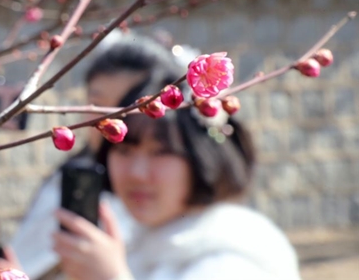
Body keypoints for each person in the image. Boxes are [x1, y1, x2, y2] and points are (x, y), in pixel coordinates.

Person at [51, 42, 301, 280]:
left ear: (201, 158)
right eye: (125, 151)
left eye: (161, 153)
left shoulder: (234, 255)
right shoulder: (137, 243)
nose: (137, 173)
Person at [7, 32, 185, 279]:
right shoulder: (66, 179)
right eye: (97, 105)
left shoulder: (151, 193)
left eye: (125, 108)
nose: (106, 120)